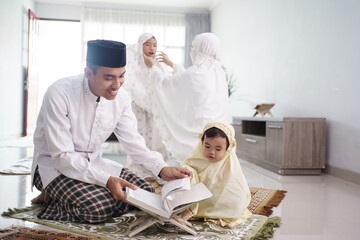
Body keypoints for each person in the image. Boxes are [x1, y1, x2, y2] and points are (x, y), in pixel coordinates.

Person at [30, 39, 192, 223]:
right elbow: (62, 157)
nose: (117, 85)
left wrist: (162, 168)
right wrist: (107, 181)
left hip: (94, 163)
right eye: (109, 78)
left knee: (144, 192)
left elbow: (135, 144)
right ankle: (51, 197)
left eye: (121, 76)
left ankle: (74, 197)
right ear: (88, 73)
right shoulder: (59, 93)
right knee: (100, 207)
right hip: (53, 168)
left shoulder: (121, 98)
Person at [143, 32, 229, 167]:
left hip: (197, 128)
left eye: (193, 48)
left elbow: (166, 84)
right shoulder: (217, 71)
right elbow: (187, 80)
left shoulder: (194, 73)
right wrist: (171, 64)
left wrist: (152, 68)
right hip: (218, 130)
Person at [124, 33, 179, 179]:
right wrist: (144, 100)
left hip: (157, 111)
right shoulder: (134, 64)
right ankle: (140, 174)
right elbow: (130, 85)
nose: (151, 48)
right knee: (140, 140)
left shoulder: (160, 66)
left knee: (158, 140)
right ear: (140, 46)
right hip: (140, 110)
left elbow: (166, 85)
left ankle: (159, 171)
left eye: (154, 45)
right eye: (147, 44)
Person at [181, 121, 252, 228]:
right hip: (200, 199)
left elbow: (236, 186)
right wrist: (189, 172)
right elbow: (188, 167)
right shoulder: (196, 157)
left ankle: (216, 210)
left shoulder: (230, 165)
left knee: (235, 204)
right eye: (207, 146)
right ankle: (195, 208)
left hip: (220, 199)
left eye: (218, 149)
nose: (212, 152)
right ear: (202, 143)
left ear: (228, 148)